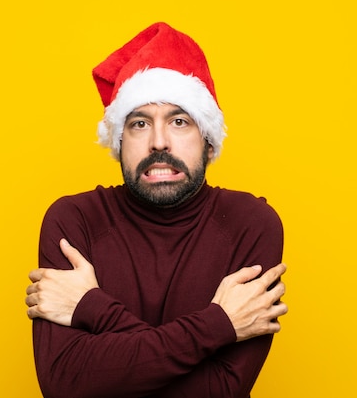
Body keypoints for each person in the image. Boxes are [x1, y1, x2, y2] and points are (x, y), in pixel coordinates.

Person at [24, 22, 288, 398]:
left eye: (179, 121)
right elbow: (64, 385)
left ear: (209, 143)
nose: (158, 142)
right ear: (118, 142)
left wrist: (92, 306)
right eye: (139, 123)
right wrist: (219, 324)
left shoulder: (250, 224)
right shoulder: (73, 221)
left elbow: (221, 390)